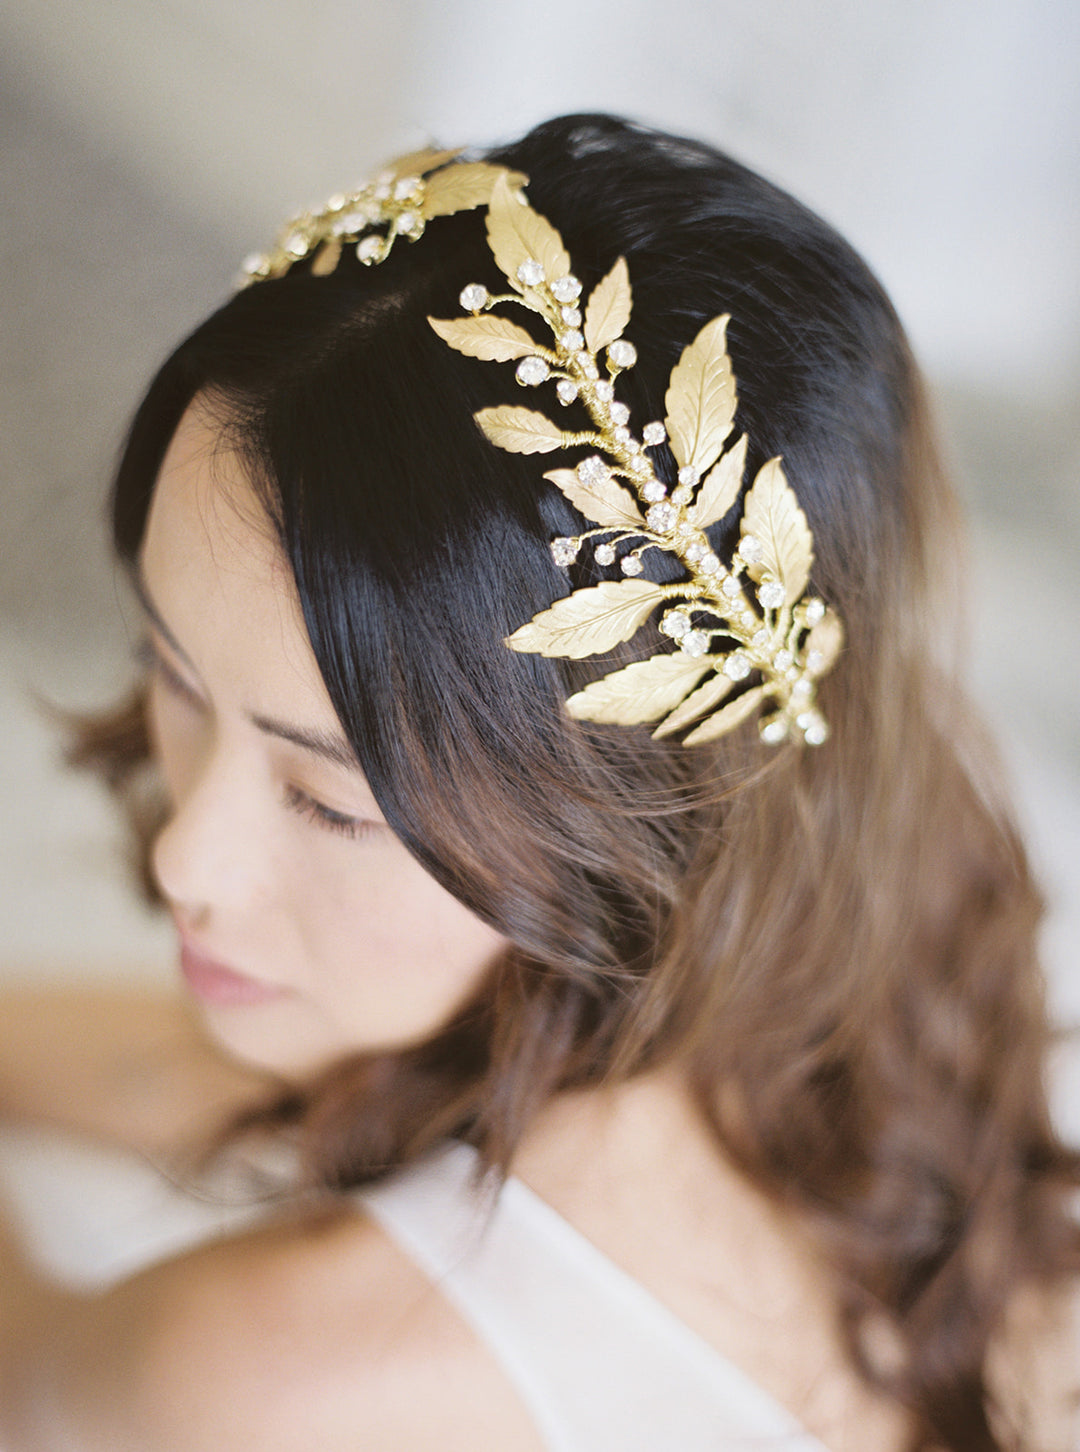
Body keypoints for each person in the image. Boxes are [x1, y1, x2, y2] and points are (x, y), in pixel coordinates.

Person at [0, 112, 1076, 1451]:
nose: (184, 862)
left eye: (332, 801)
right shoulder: (864, 835)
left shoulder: (275, 1385)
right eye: (172, 671)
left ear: (628, 822)